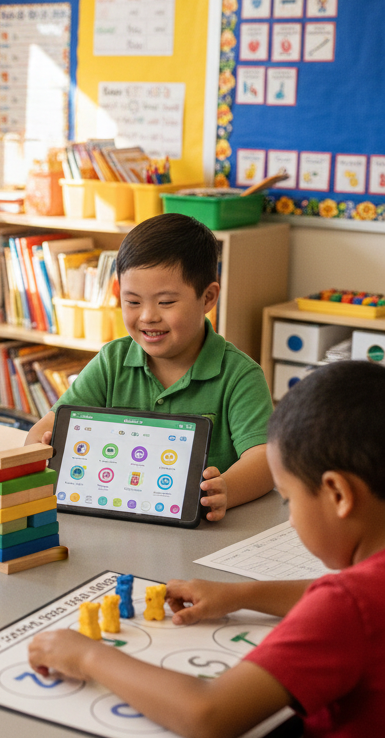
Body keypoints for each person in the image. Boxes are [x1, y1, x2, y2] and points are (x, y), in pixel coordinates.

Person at [27, 360, 385, 738]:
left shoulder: (346, 608)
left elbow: (207, 715)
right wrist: (241, 593)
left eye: (289, 499)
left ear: (338, 494)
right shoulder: (361, 595)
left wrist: (87, 656)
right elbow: (345, 603)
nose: (292, 520)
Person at [24, 213, 272, 520]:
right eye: (133, 302)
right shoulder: (112, 362)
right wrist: (40, 443)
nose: (147, 317)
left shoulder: (239, 376)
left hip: (203, 534)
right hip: (116, 522)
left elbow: (265, 459)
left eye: (166, 302)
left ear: (207, 297)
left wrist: (227, 490)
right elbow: (51, 425)